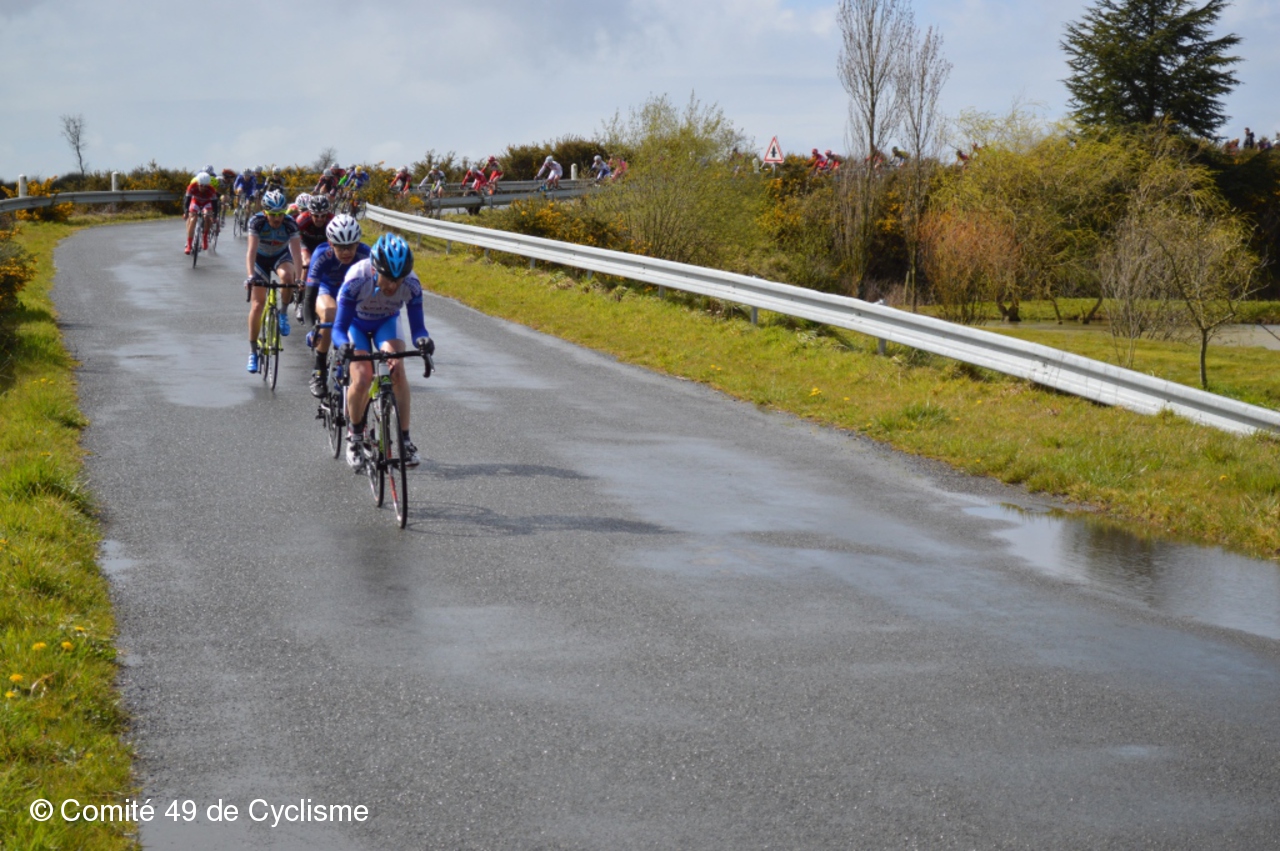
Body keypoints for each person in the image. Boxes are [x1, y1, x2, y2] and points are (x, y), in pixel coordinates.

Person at [332, 233, 433, 470]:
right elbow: (339, 328)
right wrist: (342, 345)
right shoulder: (357, 278)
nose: (393, 285)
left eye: (399, 279)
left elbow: (418, 328)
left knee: (397, 370)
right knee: (363, 377)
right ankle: (355, 436)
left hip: (386, 322)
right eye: (388, 278)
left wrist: (424, 341)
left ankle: (405, 441)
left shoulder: (412, 283)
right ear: (375, 269)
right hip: (355, 324)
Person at [304, 214, 370, 397]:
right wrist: (312, 329)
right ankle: (319, 370)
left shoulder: (366, 255)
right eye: (341, 247)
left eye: (351, 246)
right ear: (331, 244)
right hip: (327, 288)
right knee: (329, 312)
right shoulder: (321, 255)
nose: (346, 252)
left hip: (352, 290)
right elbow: (309, 296)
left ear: (358, 243)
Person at [244, 189, 303, 373]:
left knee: (287, 277)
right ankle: (253, 351)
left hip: (280, 256)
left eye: (280, 214)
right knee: (257, 305)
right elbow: (251, 251)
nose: (277, 218)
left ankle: (283, 313)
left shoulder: (290, 223)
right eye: (273, 214)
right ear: (265, 212)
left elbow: (297, 254)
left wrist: (299, 279)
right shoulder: (257, 222)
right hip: (260, 259)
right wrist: (250, 276)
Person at [182, 172, 220, 255]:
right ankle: (189, 244)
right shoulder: (191, 187)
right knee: (193, 219)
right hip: (195, 202)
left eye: (205, 186)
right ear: (197, 183)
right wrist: (186, 212)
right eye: (201, 185)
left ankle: (205, 237)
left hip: (206, 203)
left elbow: (215, 205)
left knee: (207, 216)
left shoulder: (211, 190)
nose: (203, 188)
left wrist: (214, 216)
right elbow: (187, 201)